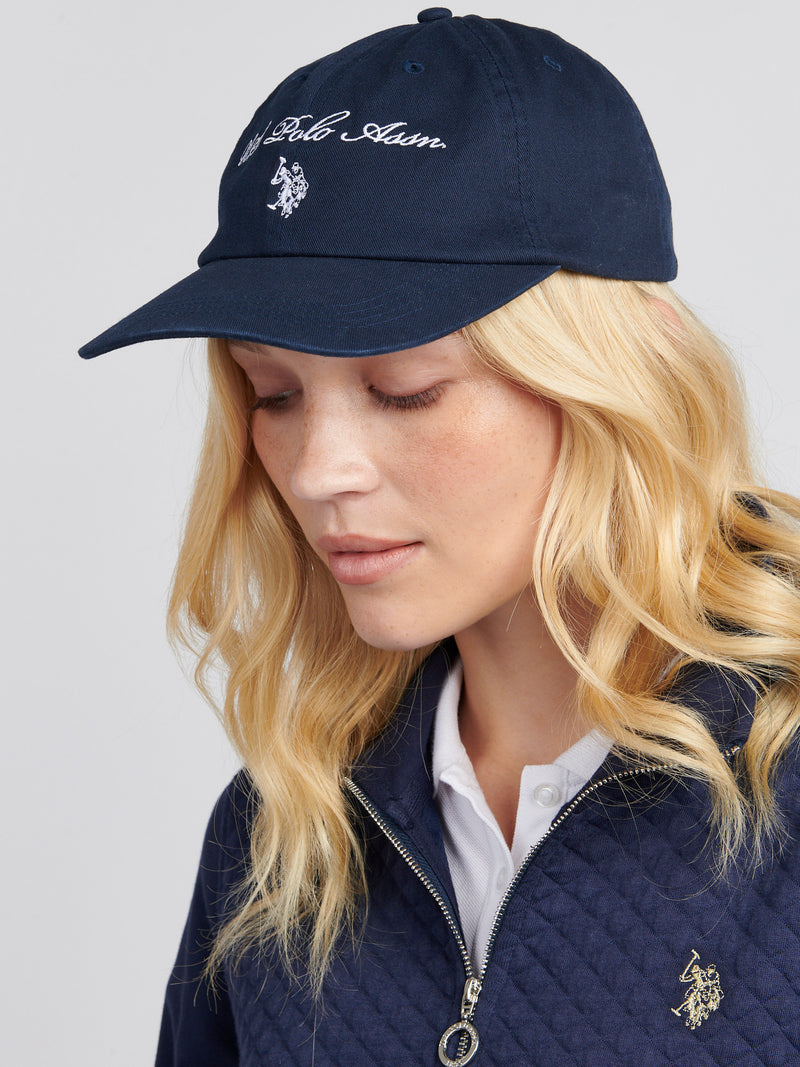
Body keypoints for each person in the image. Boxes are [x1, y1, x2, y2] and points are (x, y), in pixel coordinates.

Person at [79, 9, 800, 1065]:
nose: (316, 469)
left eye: (406, 390)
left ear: (620, 376)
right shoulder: (281, 836)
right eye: (272, 392)